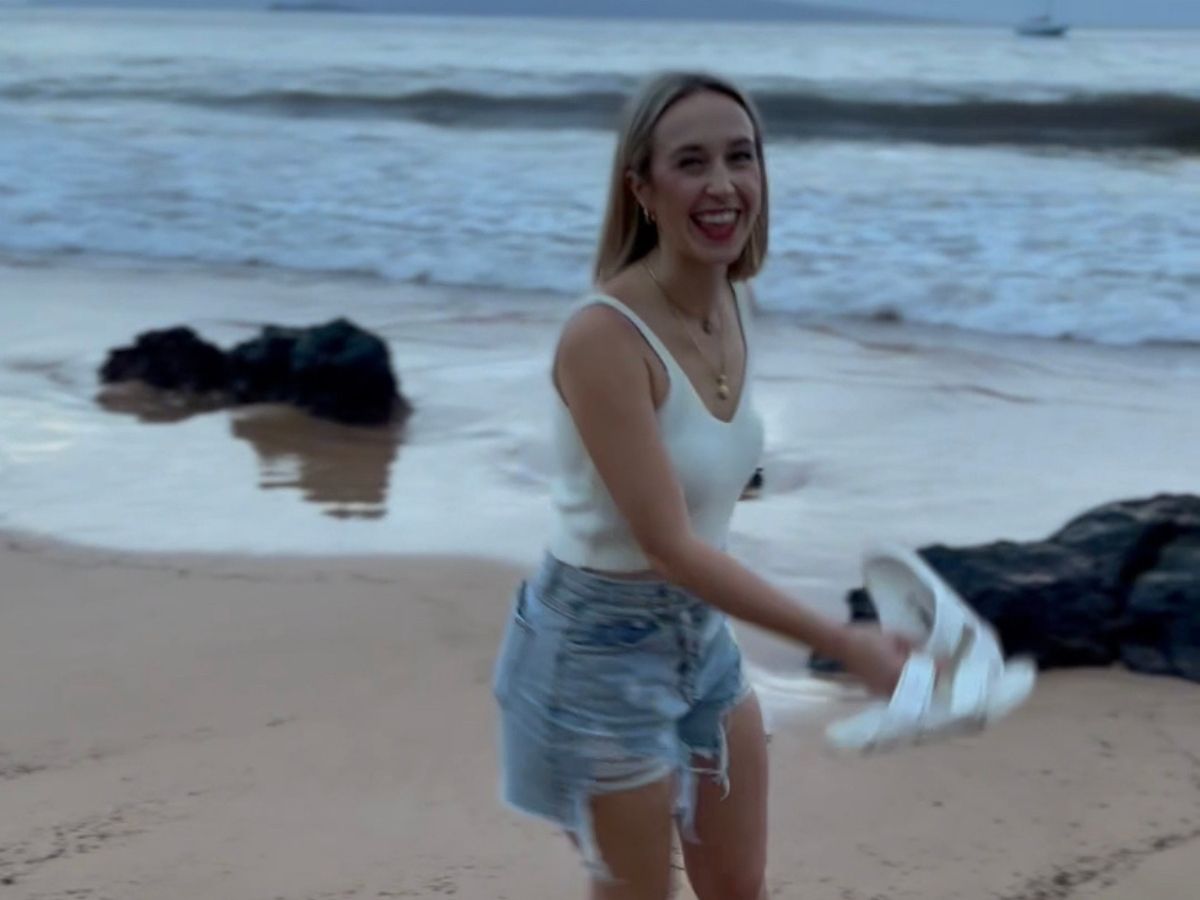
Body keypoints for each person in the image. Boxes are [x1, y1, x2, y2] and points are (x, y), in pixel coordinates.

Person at [492, 71, 911, 900]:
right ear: (642, 188)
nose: (723, 185)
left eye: (740, 157)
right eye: (691, 162)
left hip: (701, 641)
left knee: (737, 888)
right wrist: (848, 640)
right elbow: (670, 545)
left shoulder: (730, 301)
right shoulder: (603, 338)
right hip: (596, 653)